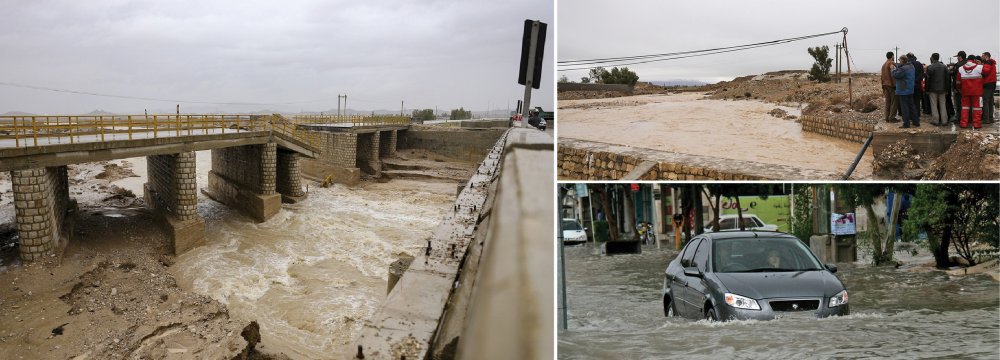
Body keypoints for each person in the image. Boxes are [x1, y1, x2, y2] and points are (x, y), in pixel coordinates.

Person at [957, 54, 985, 129]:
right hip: (977, 92)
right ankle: (977, 124)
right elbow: (987, 74)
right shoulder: (980, 67)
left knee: (965, 108)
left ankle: (963, 124)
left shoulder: (960, 68)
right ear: (975, 60)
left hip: (965, 92)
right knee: (977, 108)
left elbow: (958, 82)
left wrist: (960, 89)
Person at [892, 56, 918, 128]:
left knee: (904, 107)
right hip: (910, 89)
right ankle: (916, 122)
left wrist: (893, 69)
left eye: (899, 60)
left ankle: (906, 124)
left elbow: (896, 75)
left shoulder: (903, 68)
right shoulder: (911, 66)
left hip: (903, 90)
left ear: (903, 60)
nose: (899, 61)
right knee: (911, 106)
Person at [925, 53, 950, 125]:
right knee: (943, 104)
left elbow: (928, 80)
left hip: (932, 89)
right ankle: (944, 120)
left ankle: (935, 120)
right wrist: (947, 89)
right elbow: (947, 79)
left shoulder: (930, 67)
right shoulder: (944, 67)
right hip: (943, 89)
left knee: (934, 105)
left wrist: (927, 90)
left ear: (932, 58)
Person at [880, 51, 900, 122]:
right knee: (894, 102)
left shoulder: (883, 65)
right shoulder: (891, 63)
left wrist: (882, 85)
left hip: (885, 85)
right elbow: (894, 74)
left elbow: (882, 76)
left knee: (888, 102)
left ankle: (887, 117)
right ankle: (892, 117)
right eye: (893, 56)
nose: (894, 57)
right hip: (891, 85)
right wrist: (895, 85)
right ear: (892, 56)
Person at [907, 53, 924, 123]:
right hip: (917, 85)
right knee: (917, 101)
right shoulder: (919, 64)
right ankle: (917, 116)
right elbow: (921, 75)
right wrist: (916, 81)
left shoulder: (907, 64)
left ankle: (911, 116)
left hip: (909, 86)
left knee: (910, 102)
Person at [951, 51, 967, 123]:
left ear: (960, 57)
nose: (957, 58)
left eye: (957, 57)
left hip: (958, 88)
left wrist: (955, 88)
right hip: (967, 87)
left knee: (958, 104)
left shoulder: (958, 65)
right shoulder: (967, 64)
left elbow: (955, 77)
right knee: (966, 104)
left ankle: (959, 118)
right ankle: (967, 118)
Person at [982, 52, 996, 124]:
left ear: (986, 56)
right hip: (992, 84)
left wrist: (981, 68)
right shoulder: (992, 63)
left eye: (982, 56)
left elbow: (985, 71)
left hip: (987, 84)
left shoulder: (988, 62)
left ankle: (986, 119)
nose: (982, 57)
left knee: (986, 102)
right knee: (990, 101)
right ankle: (991, 118)